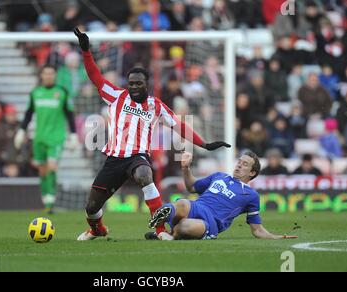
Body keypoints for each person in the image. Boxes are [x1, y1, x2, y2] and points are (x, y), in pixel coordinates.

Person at [73, 28, 230, 240]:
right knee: (92, 207)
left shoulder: (156, 106)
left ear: (147, 84)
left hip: (138, 157)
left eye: (139, 83)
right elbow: (95, 76)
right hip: (114, 159)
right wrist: (86, 51)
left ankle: (160, 230)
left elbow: (180, 126)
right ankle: (97, 229)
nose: (134, 87)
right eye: (131, 83)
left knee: (145, 176)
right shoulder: (116, 96)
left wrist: (205, 144)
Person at [147, 151, 298, 240]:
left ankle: (169, 234)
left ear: (252, 173)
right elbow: (191, 186)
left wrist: (275, 236)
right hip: (196, 206)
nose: (239, 165)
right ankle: (163, 226)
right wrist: (185, 168)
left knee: (185, 226)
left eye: (245, 164)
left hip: (211, 222)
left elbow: (256, 229)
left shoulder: (251, 195)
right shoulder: (219, 176)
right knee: (181, 203)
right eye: (239, 161)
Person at [14, 65, 78, 214]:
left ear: (55, 75)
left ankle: (51, 198)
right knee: (42, 170)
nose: (48, 76)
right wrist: (21, 131)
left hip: (56, 137)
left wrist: (73, 134)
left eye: (51, 73)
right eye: (46, 73)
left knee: (52, 166)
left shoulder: (62, 92)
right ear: (41, 75)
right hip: (39, 137)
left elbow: (69, 114)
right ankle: (46, 197)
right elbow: (29, 113)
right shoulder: (35, 93)